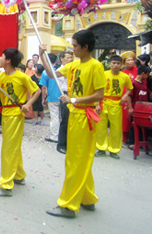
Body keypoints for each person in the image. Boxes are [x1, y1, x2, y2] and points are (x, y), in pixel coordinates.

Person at [40, 29, 105, 219]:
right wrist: (42, 54)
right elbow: (52, 74)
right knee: (79, 159)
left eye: (75, 46)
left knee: (75, 161)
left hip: (85, 117)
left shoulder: (96, 66)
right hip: (75, 115)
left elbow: (100, 95)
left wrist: (74, 100)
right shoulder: (74, 65)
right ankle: (87, 198)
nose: (72, 49)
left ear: (85, 47)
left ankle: (68, 205)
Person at [0, 48, 40, 196]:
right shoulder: (1, 76)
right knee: (12, 146)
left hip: (16, 115)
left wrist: (28, 105)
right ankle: (19, 175)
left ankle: (5, 185)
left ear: (8, 60)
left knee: (8, 149)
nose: (0, 59)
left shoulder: (22, 77)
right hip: (6, 113)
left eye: (2, 56)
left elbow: (37, 91)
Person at [95, 55, 133, 159]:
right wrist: (97, 104)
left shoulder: (124, 76)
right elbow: (97, 89)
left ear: (121, 65)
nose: (115, 65)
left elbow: (130, 88)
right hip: (103, 102)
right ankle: (101, 148)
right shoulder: (104, 74)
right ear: (110, 64)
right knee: (101, 127)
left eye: (118, 63)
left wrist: (125, 95)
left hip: (116, 104)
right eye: (113, 63)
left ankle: (114, 149)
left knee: (116, 128)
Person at [127, 65, 151, 148]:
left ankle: (141, 142)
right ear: (143, 73)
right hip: (135, 107)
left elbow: (148, 93)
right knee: (134, 125)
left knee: (142, 126)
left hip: (144, 108)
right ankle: (132, 142)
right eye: (147, 75)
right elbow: (129, 96)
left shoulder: (144, 83)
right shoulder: (133, 83)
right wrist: (130, 107)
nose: (147, 76)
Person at [40, 54, 61, 143]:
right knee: (61, 117)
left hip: (52, 97)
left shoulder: (45, 73)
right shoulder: (60, 70)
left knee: (54, 117)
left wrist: (43, 98)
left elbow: (44, 87)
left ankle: (54, 136)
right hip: (63, 96)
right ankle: (62, 135)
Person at [56, 51, 74, 154]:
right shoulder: (60, 70)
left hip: (74, 96)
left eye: (71, 58)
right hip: (65, 94)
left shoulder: (74, 68)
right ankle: (61, 144)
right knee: (65, 120)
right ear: (62, 59)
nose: (70, 59)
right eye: (67, 57)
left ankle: (70, 143)